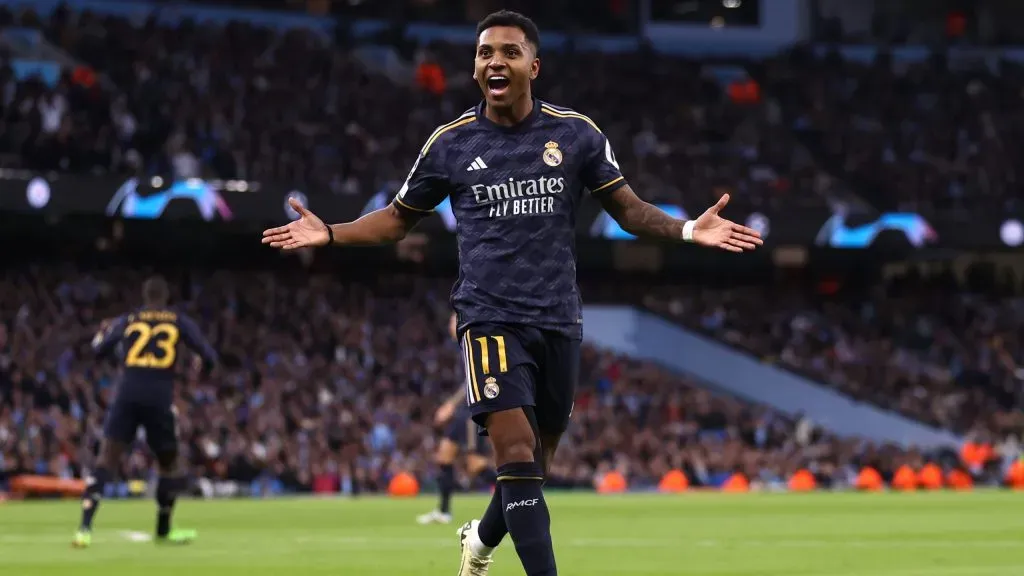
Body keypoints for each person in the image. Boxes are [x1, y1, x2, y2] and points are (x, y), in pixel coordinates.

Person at [262, 10, 762, 575]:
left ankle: (479, 542)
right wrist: (331, 232)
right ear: (476, 68)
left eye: (508, 52)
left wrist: (690, 229)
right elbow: (398, 220)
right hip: (488, 316)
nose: (495, 61)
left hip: (558, 318)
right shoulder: (449, 145)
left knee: (533, 467)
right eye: (484, 53)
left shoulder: (575, 134)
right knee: (516, 451)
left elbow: (629, 210)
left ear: (534, 65)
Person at [72, 276, 218, 548]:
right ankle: (163, 530)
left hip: (127, 393)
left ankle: (84, 529)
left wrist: (102, 333)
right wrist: (201, 370)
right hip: (159, 398)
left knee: (106, 459)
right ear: (165, 297)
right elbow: (209, 356)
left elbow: (98, 351)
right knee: (169, 464)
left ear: (145, 296)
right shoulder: (177, 320)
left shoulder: (129, 320)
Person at [418, 313, 496, 526]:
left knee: (475, 465)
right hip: (465, 410)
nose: (449, 325)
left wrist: (450, 405)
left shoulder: (471, 344)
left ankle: (519, 496)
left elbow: (473, 380)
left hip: (472, 410)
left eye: (453, 320)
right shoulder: (461, 348)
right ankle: (443, 512)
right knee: (444, 456)